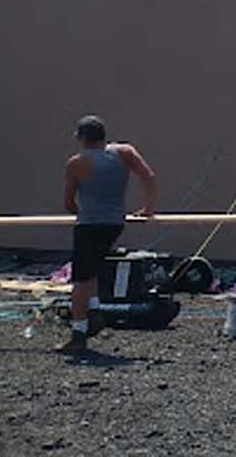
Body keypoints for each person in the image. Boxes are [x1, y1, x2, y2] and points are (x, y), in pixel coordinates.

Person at [57, 115, 156, 354]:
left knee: (80, 281)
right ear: (103, 136)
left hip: (90, 224)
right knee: (91, 269)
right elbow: (148, 177)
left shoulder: (76, 163)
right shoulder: (124, 153)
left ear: (81, 139)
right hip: (115, 223)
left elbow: (69, 203)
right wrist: (148, 209)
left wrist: (82, 210)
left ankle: (79, 333)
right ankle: (94, 311)